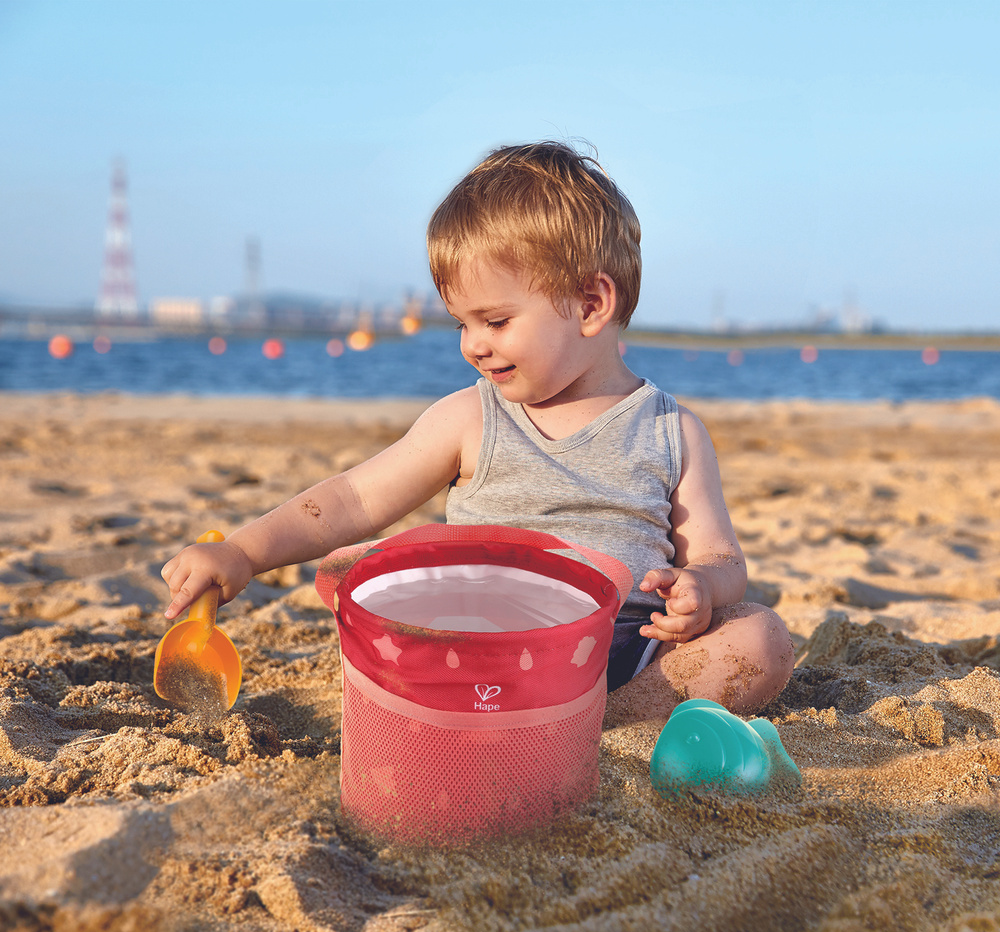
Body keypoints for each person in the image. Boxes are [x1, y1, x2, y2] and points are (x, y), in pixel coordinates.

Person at [162, 140, 794, 726]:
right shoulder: (469, 418)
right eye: (461, 323)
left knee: (758, 638)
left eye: (494, 320)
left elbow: (719, 557)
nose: (473, 346)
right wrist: (243, 552)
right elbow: (352, 500)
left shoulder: (670, 430)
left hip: (619, 658)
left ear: (591, 304)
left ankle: (607, 725)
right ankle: (533, 725)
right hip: (478, 655)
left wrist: (701, 590)